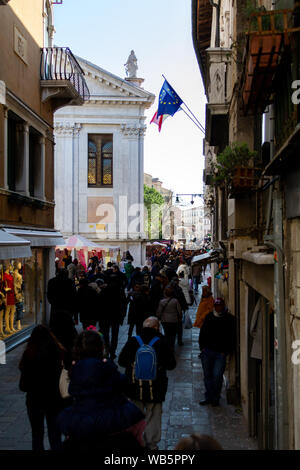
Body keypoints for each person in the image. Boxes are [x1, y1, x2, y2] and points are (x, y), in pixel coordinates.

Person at [58, 330, 145, 450]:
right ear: (101, 348)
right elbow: (125, 384)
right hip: (110, 416)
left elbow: (73, 391)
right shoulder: (106, 367)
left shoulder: (75, 370)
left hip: (82, 418)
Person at [118, 317, 176, 450]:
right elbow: (171, 365)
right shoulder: (162, 342)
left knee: (135, 415)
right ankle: (151, 443)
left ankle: (135, 441)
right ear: (156, 327)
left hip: (134, 387)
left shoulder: (133, 341)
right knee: (154, 415)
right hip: (155, 387)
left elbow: (121, 361)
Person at [19, 325, 67, 450]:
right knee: (55, 435)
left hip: (35, 401)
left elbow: (23, 385)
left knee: (37, 435)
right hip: (54, 400)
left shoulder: (29, 355)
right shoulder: (59, 354)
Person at [199, 298, 236, 407]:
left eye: (220, 305)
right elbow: (203, 332)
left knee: (217, 376)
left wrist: (226, 351)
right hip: (207, 352)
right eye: (216, 305)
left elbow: (232, 337)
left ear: (223, 306)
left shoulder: (230, 319)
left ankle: (216, 397)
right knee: (207, 375)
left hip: (220, 353)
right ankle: (209, 396)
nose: (218, 307)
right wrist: (202, 348)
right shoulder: (209, 317)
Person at [156, 286, 182, 352]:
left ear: (165, 293)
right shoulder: (175, 301)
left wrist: (158, 317)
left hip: (165, 320)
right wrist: (180, 317)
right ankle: (172, 346)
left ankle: (167, 346)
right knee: (173, 334)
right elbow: (179, 311)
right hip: (174, 320)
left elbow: (159, 311)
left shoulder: (162, 302)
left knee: (167, 334)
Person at [193, 286, 214, 357]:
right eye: (203, 291)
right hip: (202, 321)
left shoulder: (210, 299)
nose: (203, 292)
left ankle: (204, 352)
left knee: (203, 338)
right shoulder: (204, 298)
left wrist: (202, 317)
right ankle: (203, 351)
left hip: (205, 322)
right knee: (202, 338)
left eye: (204, 291)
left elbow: (209, 310)